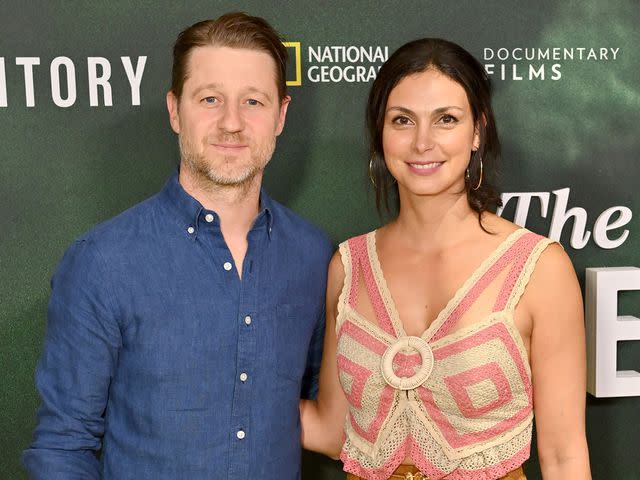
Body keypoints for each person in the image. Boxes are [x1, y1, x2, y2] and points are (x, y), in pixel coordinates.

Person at [22, 12, 332, 479]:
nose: (232, 123)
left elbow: (327, 408)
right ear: (174, 110)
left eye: (253, 101)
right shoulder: (103, 262)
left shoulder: (312, 255)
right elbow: (63, 446)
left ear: (281, 115)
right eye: (210, 99)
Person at [300, 38, 591, 479]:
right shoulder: (349, 266)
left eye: (446, 120)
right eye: (402, 120)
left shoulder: (539, 268)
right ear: (380, 133)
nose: (422, 142)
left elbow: (564, 455)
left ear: (478, 130)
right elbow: (334, 430)